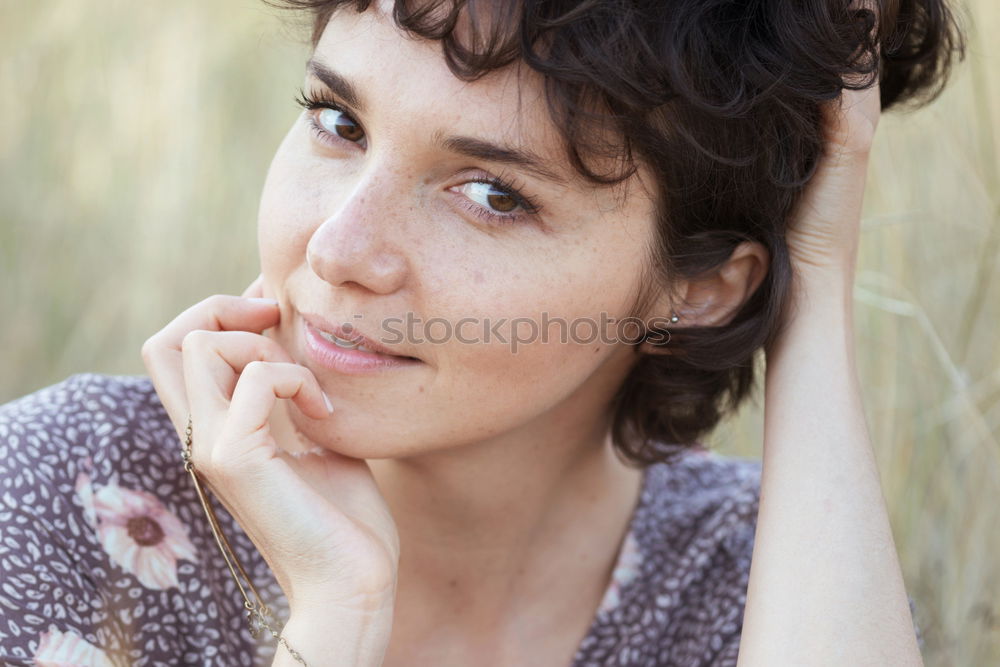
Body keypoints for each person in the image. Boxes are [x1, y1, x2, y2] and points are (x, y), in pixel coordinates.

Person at [0, 0, 966, 665]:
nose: (340, 248)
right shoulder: (63, 497)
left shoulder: (774, 583)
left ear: (704, 287)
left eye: (494, 193)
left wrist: (819, 281)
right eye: (338, 121)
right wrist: (337, 619)